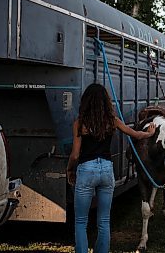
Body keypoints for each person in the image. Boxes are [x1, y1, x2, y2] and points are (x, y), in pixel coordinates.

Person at [67, 83, 156, 253]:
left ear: (85, 102)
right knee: (104, 220)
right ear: (106, 102)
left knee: (80, 221)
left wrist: (70, 170)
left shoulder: (79, 124)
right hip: (107, 170)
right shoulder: (112, 121)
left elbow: (75, 155)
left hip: (86, 170)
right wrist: (150, 134)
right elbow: (135, 134)